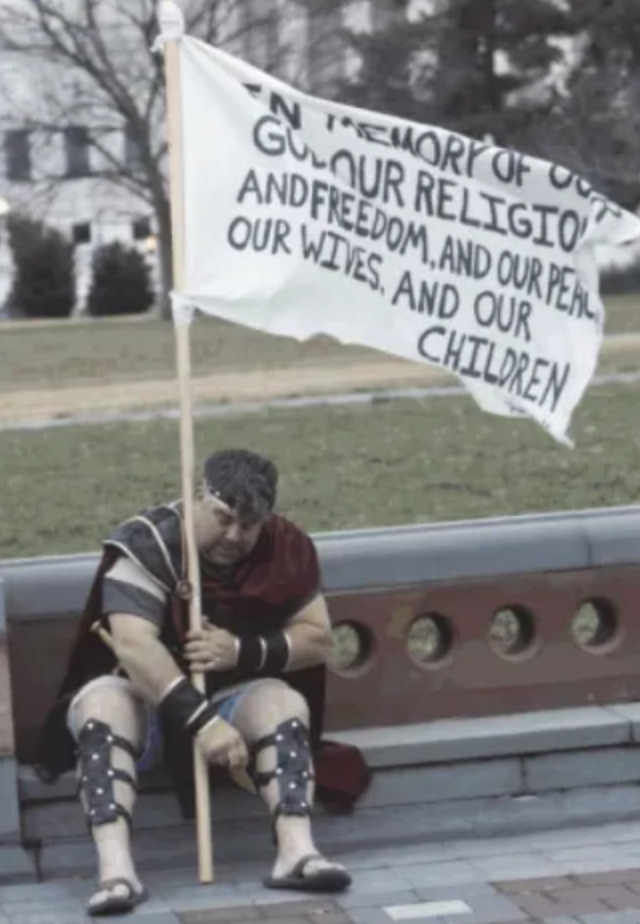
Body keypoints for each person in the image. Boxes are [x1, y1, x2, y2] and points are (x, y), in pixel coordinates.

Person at [35, 449, 369, 917]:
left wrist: (239, 651)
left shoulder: (286, 546)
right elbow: (134, 646)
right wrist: (203, 722)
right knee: (101, 707)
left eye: (248, 525)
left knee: (283, 703)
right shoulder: (147, 542)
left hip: (233, 699)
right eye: (223, 518)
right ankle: (116, 871)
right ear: (198, 499)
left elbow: (317, 639)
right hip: (143, 705)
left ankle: (297, 852)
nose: (234, 535)